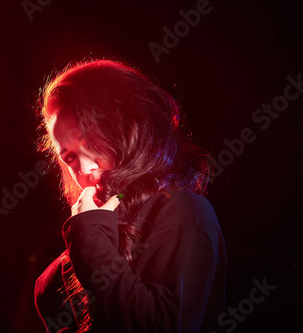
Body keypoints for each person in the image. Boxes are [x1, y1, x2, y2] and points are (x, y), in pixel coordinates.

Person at [33, 59, 226, 333]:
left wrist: (89, 240)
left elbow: (160, 327)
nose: (86, 167)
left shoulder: (184, 210)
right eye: (70, 156)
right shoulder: (85, 242)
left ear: (129, 129)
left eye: (92, 141)